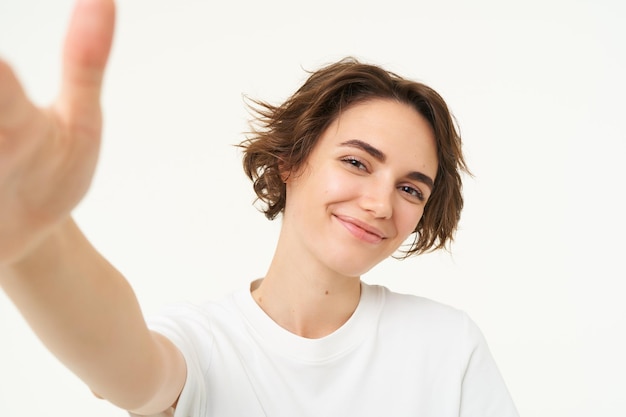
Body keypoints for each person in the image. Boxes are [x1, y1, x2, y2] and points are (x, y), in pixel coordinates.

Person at [0, 0, 519, 416]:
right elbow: (131, 369)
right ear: (290, 161)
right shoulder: (206, 344)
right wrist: (38, 241)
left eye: (411, 189)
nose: (380, 203)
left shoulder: (448, 348)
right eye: (358, 163)